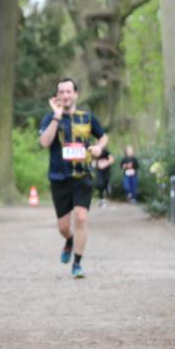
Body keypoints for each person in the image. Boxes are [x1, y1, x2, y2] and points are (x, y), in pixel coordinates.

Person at [38, 78, 108, 278]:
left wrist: (98, 148)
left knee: (81, 216)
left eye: (69, 91)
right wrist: (57, 117)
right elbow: (44, 142)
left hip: (82, 175)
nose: (66, 95)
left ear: (76, 94)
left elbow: (103, 136)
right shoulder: (50, 118)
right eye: (62, 92)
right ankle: (69, 240)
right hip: (58, 177)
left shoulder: (87, 117)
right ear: (57, 96)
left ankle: (77, 263)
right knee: (63, 227)